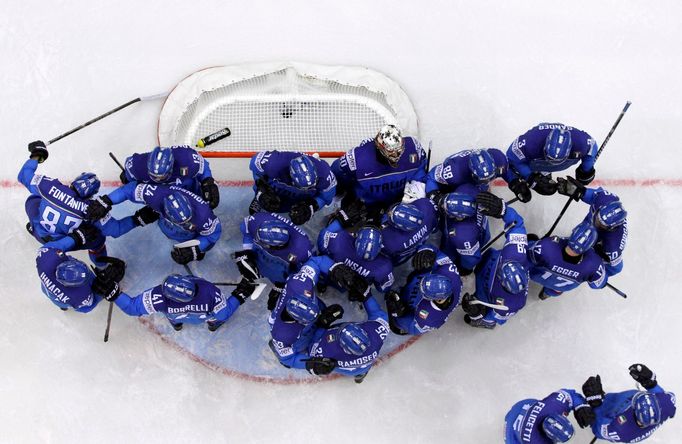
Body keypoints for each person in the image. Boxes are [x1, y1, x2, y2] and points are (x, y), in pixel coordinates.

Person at [19, 141, 156, 264]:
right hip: (59, 243)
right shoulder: (90, 209)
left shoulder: (50, 186)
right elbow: (117, 230)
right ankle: (102, 267)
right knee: (98, 240)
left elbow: (24, 175)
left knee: (33, 200)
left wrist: (37, 155)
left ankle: (34, 229)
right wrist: (138, 219)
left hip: (40, 231)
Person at [85, 183, 221, 265]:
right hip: (165, 223)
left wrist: (196, 249)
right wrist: (107, 200)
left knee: (205, 248)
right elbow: (129, 190)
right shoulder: (155, 195)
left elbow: (213, 235)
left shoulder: (203, 214)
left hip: (188, 236)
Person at [279, 285, 389, 383]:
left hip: (344, 367)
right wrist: (366, 295)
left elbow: (312, 349)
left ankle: (360, 374)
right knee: (361, 370)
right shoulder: (377, 332)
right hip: (363, 366)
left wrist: (322, 325)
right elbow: (378, 314)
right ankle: (360, 375)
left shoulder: (327, 350)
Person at [460, 194, 530, 329]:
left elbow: (493, 318)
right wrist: (503, 210)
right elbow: (517, 224)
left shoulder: (511, 304)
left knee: (481, 320)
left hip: (484, 293)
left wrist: (478, 314)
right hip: (487, 262)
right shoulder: (516, 253)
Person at [331, 124, 427, 220]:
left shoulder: (413, 147)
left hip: (398, 204)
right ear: (379, 147)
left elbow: (420, 168)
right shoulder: (356, 159)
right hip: (365, 208)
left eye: (399, 150)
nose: (397, 155)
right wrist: (339, 195)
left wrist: (418, 184)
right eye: (391, 152)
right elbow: (337, 175)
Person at [268, 259, 344, 368]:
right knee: (304, 343)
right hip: (297, 336)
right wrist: (311, 364)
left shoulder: (300, 284)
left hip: (311, 308)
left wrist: (336, 268)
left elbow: (316, 262)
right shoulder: (282, 335)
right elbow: (288, 359)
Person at [113, 274, 255, 331]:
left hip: (175, 315)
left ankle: (177, 325)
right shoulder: (209, 291)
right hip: (202, 317)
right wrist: (239, 294)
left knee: (172, 316)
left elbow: (132, 308)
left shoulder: (159, 295)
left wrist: (114, 294)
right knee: (217, 317)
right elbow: (224, 313)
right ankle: (213, 324)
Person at [234, 213, 314, 309]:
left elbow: (304, 270)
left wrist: (283, 286)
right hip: (266, 258)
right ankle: (255, 272)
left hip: (281, 269)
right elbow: (247, 231)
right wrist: (247, 250)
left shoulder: (301, 250)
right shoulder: (257, 220)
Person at [581, 364, 676, 442]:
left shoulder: (621, 431)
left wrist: (596, 404)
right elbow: (662, 394)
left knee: (606, 410)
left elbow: (598, 430)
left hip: (615, 417)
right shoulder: (666, 404)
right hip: (624, 414)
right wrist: (650, 383)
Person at [506, 123, 598, 202]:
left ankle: (544, 171)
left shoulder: (582, 142)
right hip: (535, 160)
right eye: (550, 159)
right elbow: (512, 156)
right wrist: (530, 177)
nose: (553, 163)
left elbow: (592, 147)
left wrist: (586, 170)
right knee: (512, 167)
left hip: (542, 159)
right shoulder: (530, 142)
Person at [557, 177, 628, 277]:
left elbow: (616, 268)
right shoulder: (604, 198)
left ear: (611, 228)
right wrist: (580, 192)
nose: (596, 222)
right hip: (585, 228)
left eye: (602, 225)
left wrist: (594, 274)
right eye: (598, 217)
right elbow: (591, 196)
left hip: (597, 243)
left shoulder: (613, 246)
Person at [385, 245, 462, 335]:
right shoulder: (450, 272)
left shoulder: (429, 319)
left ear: (437, 299)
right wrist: (427, 251)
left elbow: (411, 329)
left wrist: (400, 314)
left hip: (413, 307)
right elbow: (435, 252)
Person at [249, 151, 337, 225]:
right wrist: (263, 190)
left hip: (303, 198)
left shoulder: (326, 175)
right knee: (265, 197)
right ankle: (258, 199)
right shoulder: (274, 163)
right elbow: (256, 170)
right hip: (278, 189)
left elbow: (325, 198)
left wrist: (311, 207)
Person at [120, 145, 220, 209]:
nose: (158, 180)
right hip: (161, 196)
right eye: (155, 176)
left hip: (188, 189)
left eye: (162, 176)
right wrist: (128, 177)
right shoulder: (137, 166)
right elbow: (129, 172)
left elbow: (203, 166)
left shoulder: (187, 159)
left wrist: (208, 181)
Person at [528, 221, 607, 299]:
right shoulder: (594, 264)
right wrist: (598, 259)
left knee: (531, 238)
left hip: (536, 276)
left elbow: (525, 253)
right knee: (557, 288)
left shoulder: (547, 246)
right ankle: (547, 294)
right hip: (561, 287)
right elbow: (598, 285)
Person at [35, 247, 125, 313]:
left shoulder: (46, 260)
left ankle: (62, 307)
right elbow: (87, 307)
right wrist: (106, 291)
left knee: (58, 301)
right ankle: (64, 306)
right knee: (65, 303)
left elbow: (49, 248)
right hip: (66, 298)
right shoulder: (79, 297)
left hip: (47, 288)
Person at [317, 220, 394, 296]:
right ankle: (353, 295)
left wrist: (340, 219)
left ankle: (322, 284)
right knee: (358, 290)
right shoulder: (384, 266)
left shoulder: (339, 240)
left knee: (323, 265)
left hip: (331, 275)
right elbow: (383, 288)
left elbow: (322, 243)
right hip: (353, 287)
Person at [504, 389, 594, 443]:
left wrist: (580, 406)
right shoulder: (536, 441)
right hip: (511, 433)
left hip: (522, 406)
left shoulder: (553, 405)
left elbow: (569, 394)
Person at [438, 184, 490, 275]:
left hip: (470, 241)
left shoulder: (464, 237)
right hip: (481, 229)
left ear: (460, 217)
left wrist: (465, 268)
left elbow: (471, 258)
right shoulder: (467, 188)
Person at [380, 198, 440, 266]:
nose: (390, 213)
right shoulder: (427, 206)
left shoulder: (390, 242)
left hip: (399, 257)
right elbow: (436, 228)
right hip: (415, 248)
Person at [425, 148, 510, 195]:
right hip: (455, 176)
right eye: (483, 180)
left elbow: (507, 171)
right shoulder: (454, 173)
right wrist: (435, 196)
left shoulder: (499, 159)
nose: (487, 182)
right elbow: (431, 177)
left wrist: (514, 182)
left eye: (490, 178)